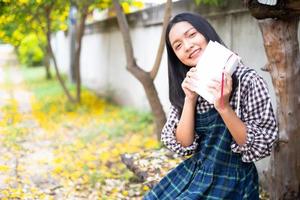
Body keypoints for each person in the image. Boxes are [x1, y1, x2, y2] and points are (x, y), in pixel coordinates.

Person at [143, 12, 278, 200]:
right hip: (195, 173)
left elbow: (261, 147)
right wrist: (190, 99)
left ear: (206, 33)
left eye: (191, 35)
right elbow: (184, 144)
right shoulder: (186, 86)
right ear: (176, 57)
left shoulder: (247, 80)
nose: (188, 46)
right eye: (178, 46)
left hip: (233, 180)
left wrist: (223, 107)